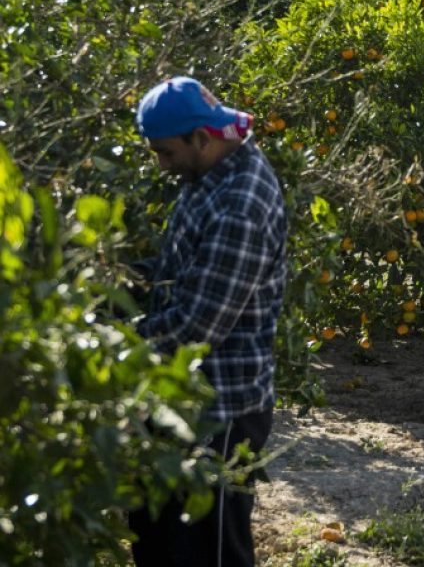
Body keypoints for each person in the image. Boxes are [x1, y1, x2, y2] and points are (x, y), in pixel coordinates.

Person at [130, 76, 288, 567]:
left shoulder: (240, 201)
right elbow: (179, 275)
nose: (162, 164)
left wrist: (109, 346)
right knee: (159, 543)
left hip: (218, 411)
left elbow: (197, 328)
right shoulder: (207, 177)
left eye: (166, 152)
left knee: (206, 554)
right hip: (180, 398)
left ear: (202, 137)